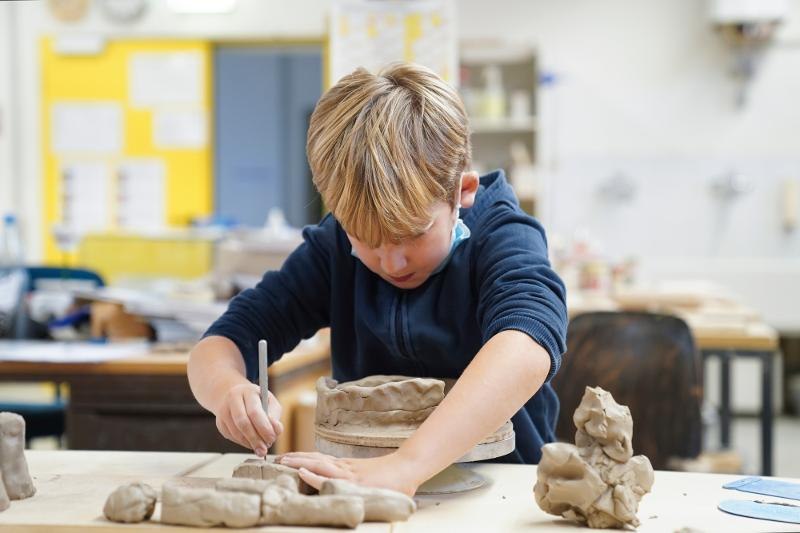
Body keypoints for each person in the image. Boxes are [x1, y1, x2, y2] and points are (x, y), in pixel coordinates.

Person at [188, 62, 567, 497]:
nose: (392, 261)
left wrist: (407, 466)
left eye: (412, 234)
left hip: (503, 490)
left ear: (462, 191)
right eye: (365, 238)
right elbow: (220, 343)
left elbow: (527, 344)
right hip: (365, 487)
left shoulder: (502, 236)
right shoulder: (333, 248)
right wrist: (228, 391)